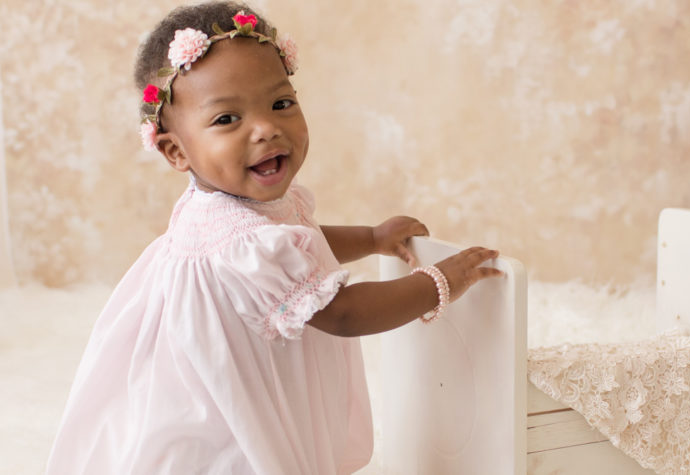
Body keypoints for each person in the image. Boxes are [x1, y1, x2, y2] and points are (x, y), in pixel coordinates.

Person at [45, 2, 502, 474]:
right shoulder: (233, 236)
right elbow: (342, 315)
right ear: (177, 151)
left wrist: (370, 237)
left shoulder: (240, 212)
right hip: (225, 406)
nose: (266, 129)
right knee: (246, 457)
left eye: (281, 103)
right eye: (226, 120)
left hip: (244, 366)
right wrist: (438, 282)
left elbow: (294, 244)